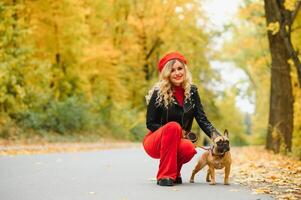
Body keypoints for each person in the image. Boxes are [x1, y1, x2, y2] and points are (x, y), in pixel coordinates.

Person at [143, 52, 218, 186]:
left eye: (180, 68)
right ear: (167, 74)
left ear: (185, 70)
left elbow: (202, 120)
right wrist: (176, 131)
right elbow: (150, 123)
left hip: (177, 141)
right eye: (172, 70)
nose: (177, 73)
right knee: (173, 126)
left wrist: (218, 137)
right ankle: (165, 175)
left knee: (189, 148)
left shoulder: (192, 92)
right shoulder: (158, 92)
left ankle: (175, 173)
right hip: (155, 140)